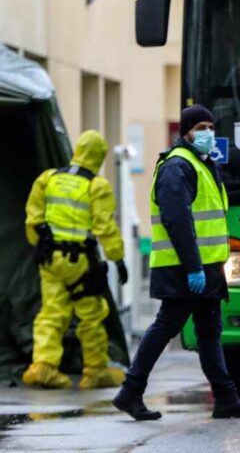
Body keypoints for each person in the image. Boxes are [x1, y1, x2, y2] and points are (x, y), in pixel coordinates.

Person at [113, 105, 240, 421]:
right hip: (184, 267)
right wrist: (193, 267)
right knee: (167, 326)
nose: (208, 133)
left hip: (205, 267)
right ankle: (130, 391)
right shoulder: (178, 167)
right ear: (186, 132)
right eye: (201, 127)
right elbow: (177, 220)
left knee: (209, 331)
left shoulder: (203, 164)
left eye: (211, 126)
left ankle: (225, 397)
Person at [22, 129, 128, 390]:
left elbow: (33, 218)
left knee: (51, 313)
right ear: (99, 156)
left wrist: (44, 245)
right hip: (80, 262)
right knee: (90, 315)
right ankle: (95, 371)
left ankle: (44, 368)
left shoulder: (48, 178)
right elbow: (105, 227)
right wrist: (118, 258)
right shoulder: (96, 185)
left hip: (49, 259)